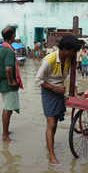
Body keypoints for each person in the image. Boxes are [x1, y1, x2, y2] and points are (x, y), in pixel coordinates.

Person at [35, 34, 83, 164]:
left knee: (55, 122)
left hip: (60, 91)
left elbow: (74, 77)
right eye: (74, 51)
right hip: (49, 91)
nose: (75, 54)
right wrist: (54, 89)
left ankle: (49, 144)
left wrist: (76, 93)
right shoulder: (49, 60)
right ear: (66, 49)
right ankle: (51, 154)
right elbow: (38, 80)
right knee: (51, 123)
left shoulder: (70, 59)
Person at [0, 27, 24, 142]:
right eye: (14, 34)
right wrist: (12, 81)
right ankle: (5, 135)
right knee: (8, 109)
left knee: (7, 108)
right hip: (7, 84)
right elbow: (8, 68)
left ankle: (5, 132)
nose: (15, 36)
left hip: (3, 82)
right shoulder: (8, 50)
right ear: (12, 36)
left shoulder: (2, 47)